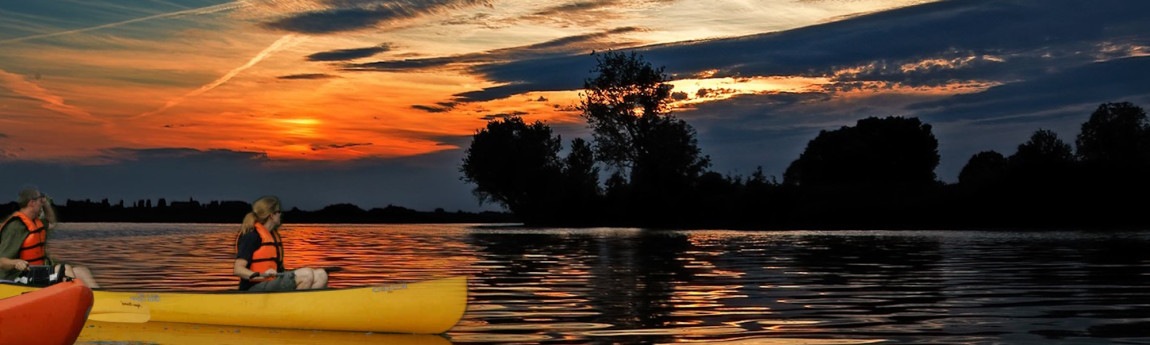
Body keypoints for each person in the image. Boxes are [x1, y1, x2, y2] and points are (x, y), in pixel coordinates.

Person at [1, 188, 100, 288]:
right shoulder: (15, 226)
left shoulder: (35, 222)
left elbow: (52, 222)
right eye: (41, 201)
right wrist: (15, 262)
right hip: (17, 278)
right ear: (32, 203)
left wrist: (46, 204)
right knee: (64, 270)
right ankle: (71, 300)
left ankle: (101, 300)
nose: (42, 205)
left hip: (36, 272)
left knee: (81, 271)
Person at [233, 196, 327, 291]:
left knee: (321, 275)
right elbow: (238, 269)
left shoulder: (273, 235)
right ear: (271, 215)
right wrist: (262, 276)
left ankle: (301, 304)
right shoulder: (252, 236)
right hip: (253, 287)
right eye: (279, 211)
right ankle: (292, 304)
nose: (281, 214)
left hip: (272, 282)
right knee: (306, 274)